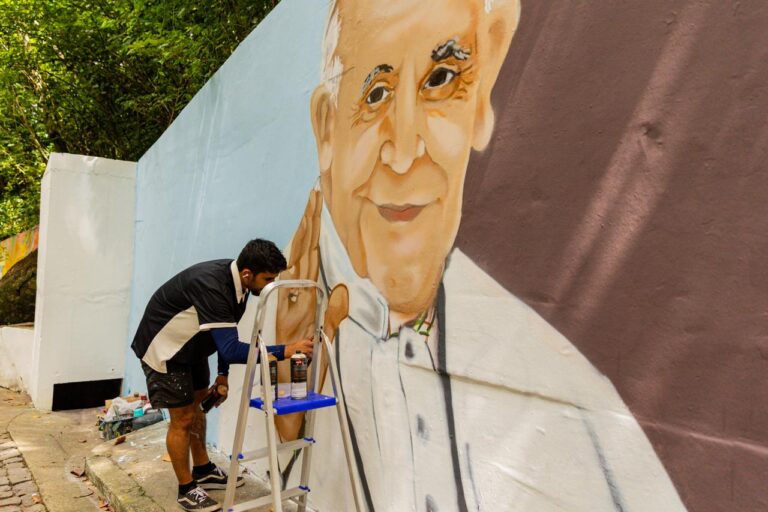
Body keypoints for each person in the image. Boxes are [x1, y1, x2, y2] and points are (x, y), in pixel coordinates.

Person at [272, 0, 688, 511]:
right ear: (326, 128)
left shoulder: (577, 410)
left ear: (480, 109)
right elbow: (283, 453)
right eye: (375, 94)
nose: (404, 150)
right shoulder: (300, 310)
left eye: (442, 79)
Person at [131, 239, 313, 512]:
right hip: (165, 350)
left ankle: (203, 469)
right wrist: (286, 351)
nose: (270, 286)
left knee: (199, 410)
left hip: (193, 348)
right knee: (182, 420)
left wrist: (222, 376)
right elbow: (231, 350)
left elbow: (224, 338)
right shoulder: (212, 285)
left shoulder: (240, 288)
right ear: (247, 274)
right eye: (268, 279)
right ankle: (186, 489)